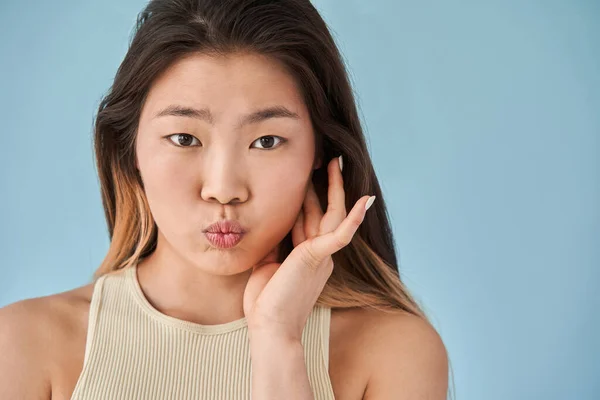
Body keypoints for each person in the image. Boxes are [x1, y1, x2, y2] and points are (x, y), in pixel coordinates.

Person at [0, 0, 451, 399]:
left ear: (321, 153)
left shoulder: (394, 351)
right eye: (183, 137)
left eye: (267, 141)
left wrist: (278, 342)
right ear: (130, 149)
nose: (223, 188)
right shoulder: (24, 344)